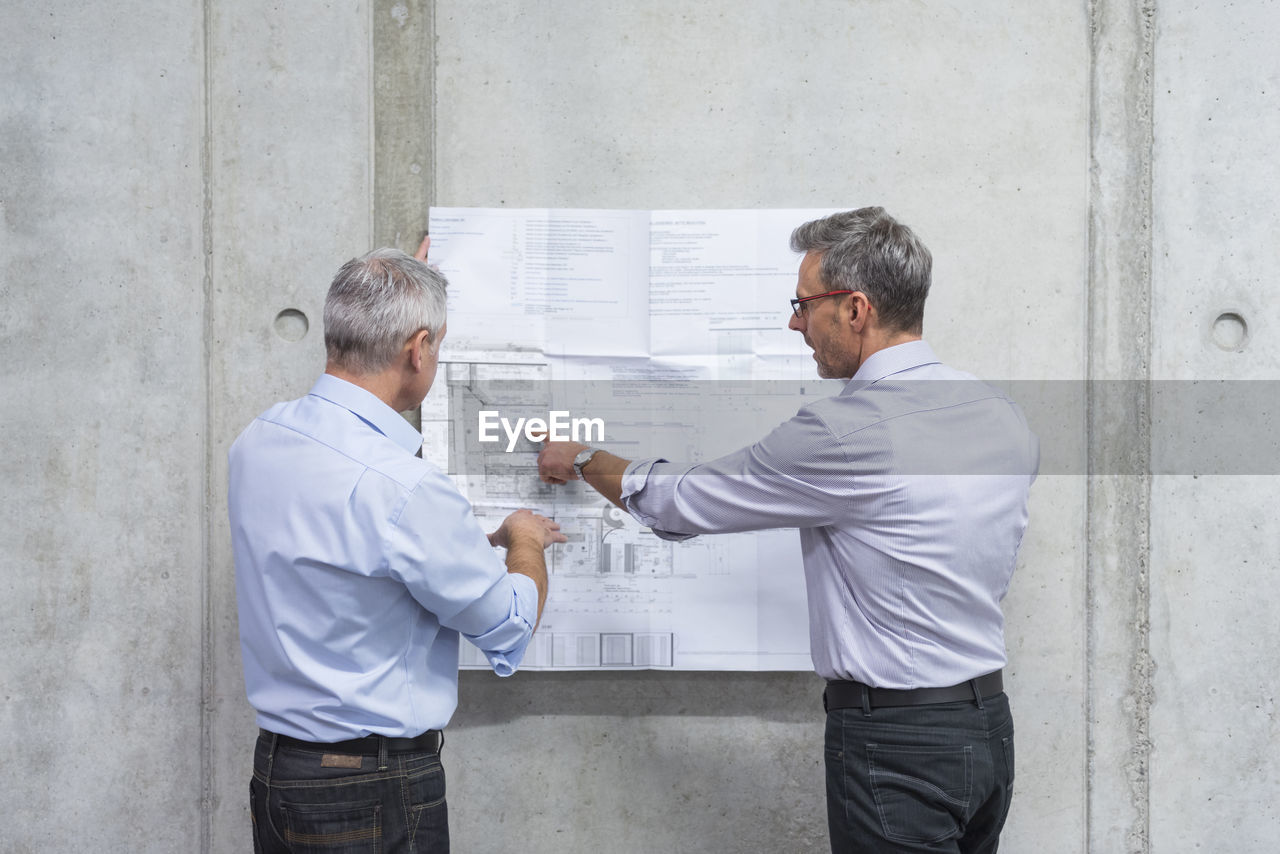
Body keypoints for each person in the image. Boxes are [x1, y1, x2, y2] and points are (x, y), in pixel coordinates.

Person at [537, 208, 1038, 853]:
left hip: (896, 742)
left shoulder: (846, 431)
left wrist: (580, 459)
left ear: (855, 309)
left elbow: (679, 501)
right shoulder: (1000, 413)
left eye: (804, 305)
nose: (795, 323)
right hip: (986, 730)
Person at [229, 238, 564, 852]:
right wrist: (525, 541)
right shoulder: (404, 489)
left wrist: (399, 284)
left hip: (278, 773)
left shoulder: (256, 440)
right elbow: (509, 627)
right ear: (419, 349)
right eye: (434, 343)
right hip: (372, 787)